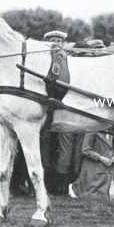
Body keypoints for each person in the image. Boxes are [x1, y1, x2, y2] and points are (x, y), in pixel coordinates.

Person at [43, 30, 79, 194]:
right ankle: (47, 183)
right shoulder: (42, 60)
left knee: (65, 147)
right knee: (46, 147)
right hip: (46, 109)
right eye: (53, 40)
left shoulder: (68, 60)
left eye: (59, 40)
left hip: (65, 108)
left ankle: (62, 185)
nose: (56, 43)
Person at [68, 132, 114, 202]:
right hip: (94, 169)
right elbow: (85, 149)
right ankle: (76, 189)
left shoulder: (110, 130)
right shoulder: (92, 130)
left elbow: (110, 147)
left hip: (105, 170)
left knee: (102, 198)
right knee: (91, 197)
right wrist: (100, 158)